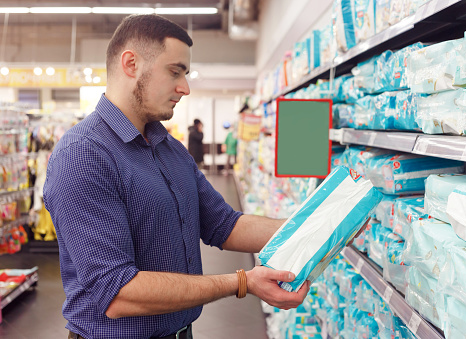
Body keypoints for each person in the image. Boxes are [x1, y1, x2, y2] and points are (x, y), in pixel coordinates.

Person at [43, 14, 311, 339]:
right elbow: (117, 291)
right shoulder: (83, 155)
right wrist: (241, 282)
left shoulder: (170, 148)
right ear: (131, 64)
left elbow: (223, 224)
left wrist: (314, 229)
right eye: (175, 72)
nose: (184, 87)